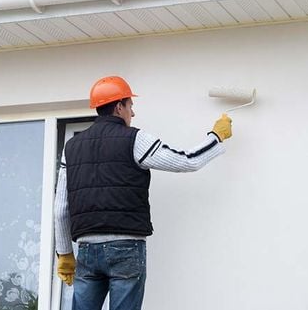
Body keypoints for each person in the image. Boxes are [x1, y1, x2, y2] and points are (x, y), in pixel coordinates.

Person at [54, 76, 232, 310]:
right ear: (119, 107)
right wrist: (216, 137)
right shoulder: (134, 139)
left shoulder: (72, 147)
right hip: (126, 248)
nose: (133, 113)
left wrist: (64, 253)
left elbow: (60, 209)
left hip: (87, 251)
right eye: (131, 106)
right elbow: (186, 161)